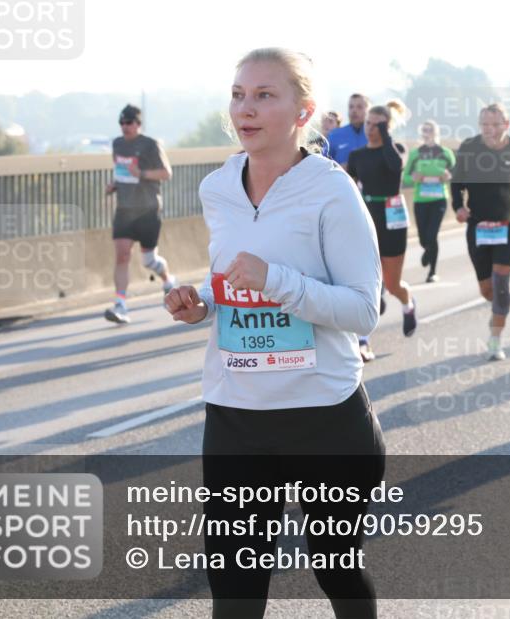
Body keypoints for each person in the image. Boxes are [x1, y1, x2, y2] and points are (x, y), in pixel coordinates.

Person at [164, 47, 384, 619]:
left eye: (265, 95)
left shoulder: (332, 190)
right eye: (239, 94)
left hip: (325, 419)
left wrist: (279, 280)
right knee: (234, 596)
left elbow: (364, 309)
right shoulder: (217, 188)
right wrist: (202, 304)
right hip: (236, 417)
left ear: (302, 111)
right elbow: (231, 284)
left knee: (337, 571)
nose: (247, 108)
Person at [452, 103, 510, 361]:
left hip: (509, 224)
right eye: (485, 125)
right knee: (487, 290)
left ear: (506, 125)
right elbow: (456, 183)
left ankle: (495, 340)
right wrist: (458, 207)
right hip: (478, 226)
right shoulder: (469, 148)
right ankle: (500, 308)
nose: (489, 130)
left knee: (500, 284)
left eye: (495, 125)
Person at [346, 100, 418, 342]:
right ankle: (365, 333)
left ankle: (407, 303)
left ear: (387, 128)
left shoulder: (396, 149)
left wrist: (386, 137)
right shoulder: (357, 155)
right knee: (367, 276)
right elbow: (346, 185)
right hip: (368, 218)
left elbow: (395, 166)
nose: (370, 128)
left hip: (393, 219)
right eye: (368, 123)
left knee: (392, 281)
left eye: (378, 125)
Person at [104, 104, 177, 324]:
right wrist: (114, 185)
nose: (125, 127)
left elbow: (166, 173)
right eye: (122, 123)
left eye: (129, 123)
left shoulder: (150, 145)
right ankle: (120, 305)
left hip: (148, 209)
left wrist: (142, 173)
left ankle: (167, 280)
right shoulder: (117, 144)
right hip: (124, 209)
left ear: (138, 124)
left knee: (149, 260)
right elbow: (123, 173)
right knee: (122, 255)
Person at [326, 94, 378, 361]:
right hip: (341, 213)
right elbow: (321, 170)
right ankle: (356, 339)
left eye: (360, 107)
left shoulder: (375, 136)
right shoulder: (335, 137)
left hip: (373, 210)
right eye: (351, 107)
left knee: (365, 273)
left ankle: (363, 338)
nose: (355, 111)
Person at [402, 120, 454, 283]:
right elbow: (406, 178)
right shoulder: (415, 154)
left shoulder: (446, 152)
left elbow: (456, 173)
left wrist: (448, 176)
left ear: (436, 132)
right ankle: (427, 250)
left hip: (439, 199)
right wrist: (414, 178)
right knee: (423, 238)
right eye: (424, 130)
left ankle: (432, 271)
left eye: (430, 130)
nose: (427, 133)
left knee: (432, 235)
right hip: (420, 199)